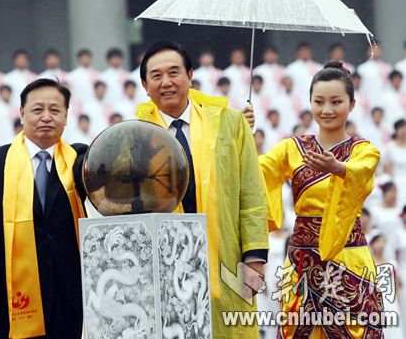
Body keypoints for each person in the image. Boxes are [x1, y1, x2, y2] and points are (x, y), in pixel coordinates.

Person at [136, 40, 269, 339]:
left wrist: (255, 258)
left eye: (174, 72)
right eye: (156, 76)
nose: (166, 82)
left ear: (190, 75)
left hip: (226, 255)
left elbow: (251, 191)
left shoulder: (229, 122)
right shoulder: (135, 135)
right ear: (145, 85)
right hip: (166, 263)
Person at [259, 61, 384, 338]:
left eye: (336, 101)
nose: (327, 109)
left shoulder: (364, 151)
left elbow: (361, 173)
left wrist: (339, 168)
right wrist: (241, 134)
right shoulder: (292, 148)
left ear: (351, 104)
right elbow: (257, 171)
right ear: (310, 103)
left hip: (348, 258)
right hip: (303, 259)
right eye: (319, 101)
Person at [0, 78, 87, 339]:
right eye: (37, 109)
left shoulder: (81, 161)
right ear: (22, 114)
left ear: (66, 115)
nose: (46, 117)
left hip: (70, 294)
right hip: (10, 294)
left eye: (55, 110)